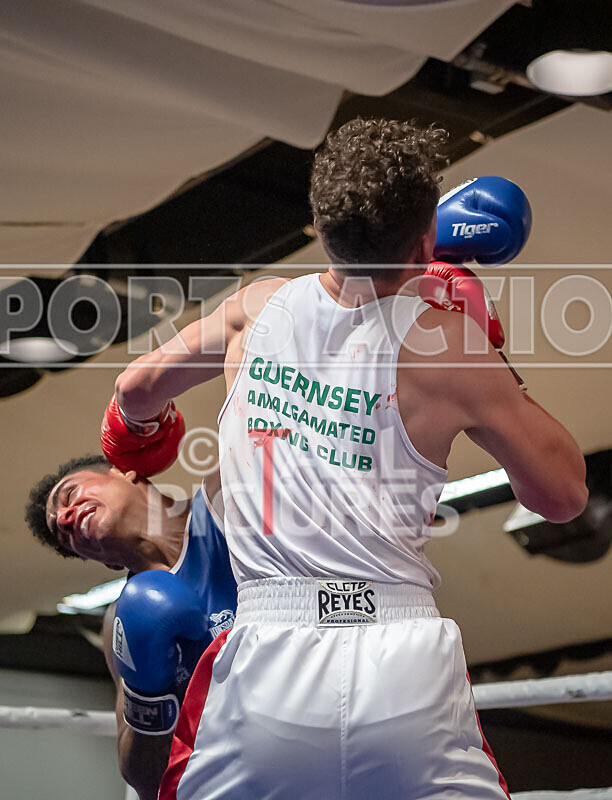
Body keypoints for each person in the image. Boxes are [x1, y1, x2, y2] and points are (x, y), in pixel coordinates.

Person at [101, 118, 588, 799]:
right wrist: (489, 352)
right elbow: (562, 495)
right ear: (427, 239)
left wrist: (136, 437)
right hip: (402, 663)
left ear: (319, 226)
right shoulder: (450, 345)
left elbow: (134, 392)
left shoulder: (255, 309)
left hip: (268, 656)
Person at [25, 456, 237, 800]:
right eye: (64, 536)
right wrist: (148, 695)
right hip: (244, 775)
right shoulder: (119, 625)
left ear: (126, 472)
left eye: (70, 495)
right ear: (105, 561)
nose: (65, 517)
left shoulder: (223, 497)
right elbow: (145, 780)